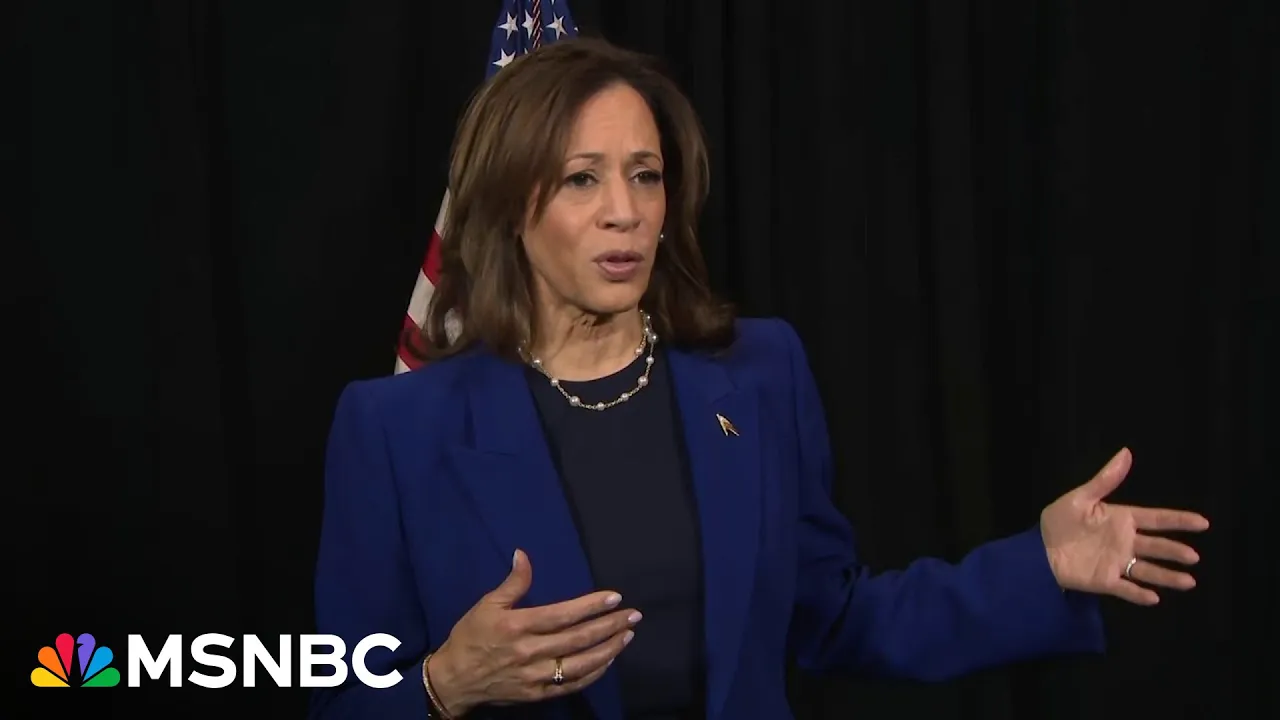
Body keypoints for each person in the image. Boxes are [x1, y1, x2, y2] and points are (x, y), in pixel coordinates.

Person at [310, 37, 1209, 720]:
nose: (625, 212)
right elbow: (341, 699)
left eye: (646, 176)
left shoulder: (758, 373)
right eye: (582, 180)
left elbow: (835, 618)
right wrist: (441, 684)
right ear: (512, 206)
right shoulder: (397, 428)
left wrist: (1040, 567)